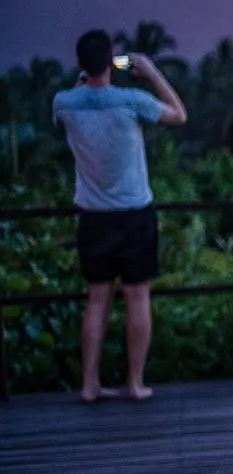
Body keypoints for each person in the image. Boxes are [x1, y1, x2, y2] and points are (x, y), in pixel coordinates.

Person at [53, 30, 187, 403]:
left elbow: (76, 98)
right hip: (134, 215)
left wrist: (85, 79)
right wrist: (153, 72)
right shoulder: (132, 101)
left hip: (93, 217)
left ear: (81, 64)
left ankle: (90, 384)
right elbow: (179, 114)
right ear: (113, 62)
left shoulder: (63, 103)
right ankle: (135, 382)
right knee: (137, 297)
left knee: (97, 299)